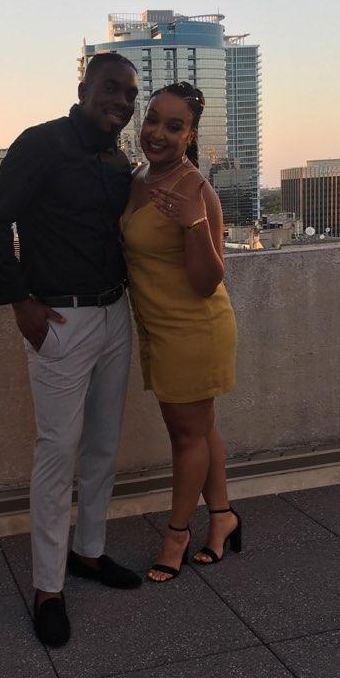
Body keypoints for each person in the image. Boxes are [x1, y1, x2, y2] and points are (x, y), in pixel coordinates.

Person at [0, 53, 142, 648]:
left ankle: (89, 552)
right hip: (60, 320)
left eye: (130, 94)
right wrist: (19, 301)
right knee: (57, 453)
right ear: (83, 88)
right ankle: (48, 587)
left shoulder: (117, 158)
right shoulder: (42, 144)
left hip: (115, 313)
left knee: (102, 445)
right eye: (111, 89)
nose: (121, 102)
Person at [120, 82, 241, 583]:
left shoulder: (196, 190)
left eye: (174, 126)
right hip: (158, 327)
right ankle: (223, 517)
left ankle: (176, 535)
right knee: (201, 428)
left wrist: (194, 225)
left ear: (190, 135)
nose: (158, 133)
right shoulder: (139, 177)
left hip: (193, 330)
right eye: (152, 120)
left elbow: (209, 279)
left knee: (186, 436)